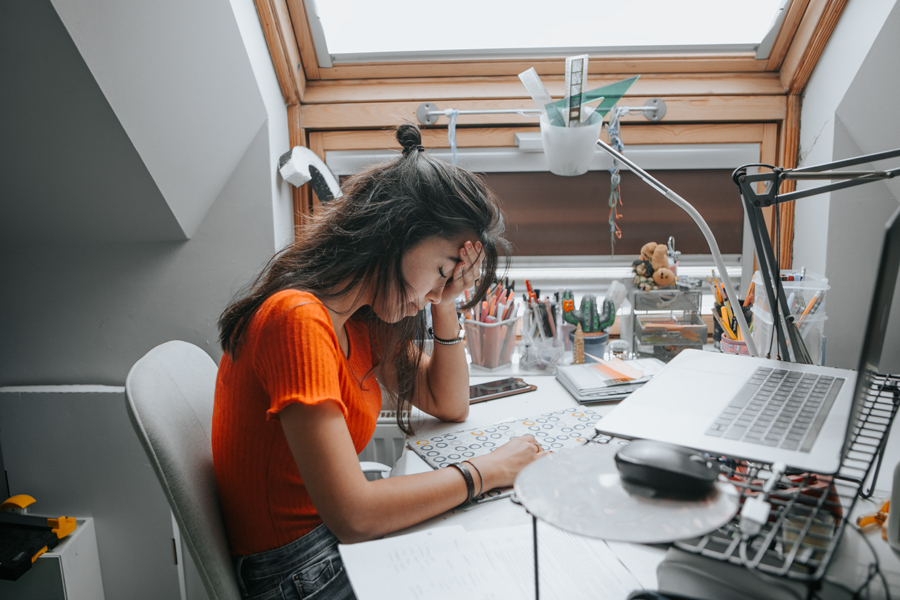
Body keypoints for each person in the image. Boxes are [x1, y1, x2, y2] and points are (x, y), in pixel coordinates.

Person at [213, 123, 546, 600]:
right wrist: (488, 471)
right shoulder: (298, 320)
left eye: (450, 279)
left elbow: (449, 403)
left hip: (325, 550)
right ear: (392, 235)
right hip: (299, 573)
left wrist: (443, 297)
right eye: (440, 271)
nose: (435, 290)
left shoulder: (361, 318)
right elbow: (355, 516)